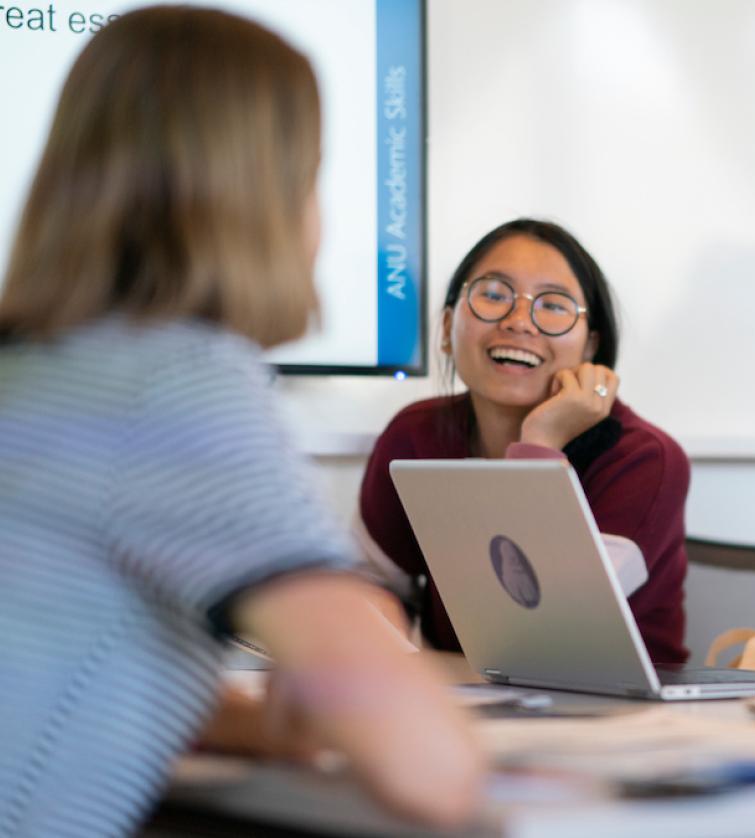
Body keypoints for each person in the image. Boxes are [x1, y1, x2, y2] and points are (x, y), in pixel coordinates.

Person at [0, 8, 483, 835]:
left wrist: (257, 718)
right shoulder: (170, 384)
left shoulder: (35, 372)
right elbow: (431, 771)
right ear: (262, 195)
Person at [359, 219, 691, 665]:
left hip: (616, 716)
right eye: (494, 295)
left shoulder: (645, 459)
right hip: (460, 700)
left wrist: (541, 442)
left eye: (554, 306)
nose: (519, 322)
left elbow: (536, 630)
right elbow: (369, 585)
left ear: (591, 346)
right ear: (445, 328)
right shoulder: (414, 435)